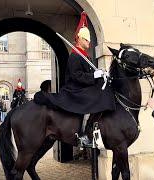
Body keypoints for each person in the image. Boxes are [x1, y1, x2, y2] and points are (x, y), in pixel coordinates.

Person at [35, 12, 115, 146]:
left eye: (89, 40)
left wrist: (101, 73)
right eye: (86, 40)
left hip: (83, 87)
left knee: (105, 91)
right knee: (100, 96)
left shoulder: (84, 56)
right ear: (78, 39)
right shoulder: (75, 56)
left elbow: (89, 73)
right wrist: (94, 76)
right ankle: (87, 131)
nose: (88, 43)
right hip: (75, 89)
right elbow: (76, 76)